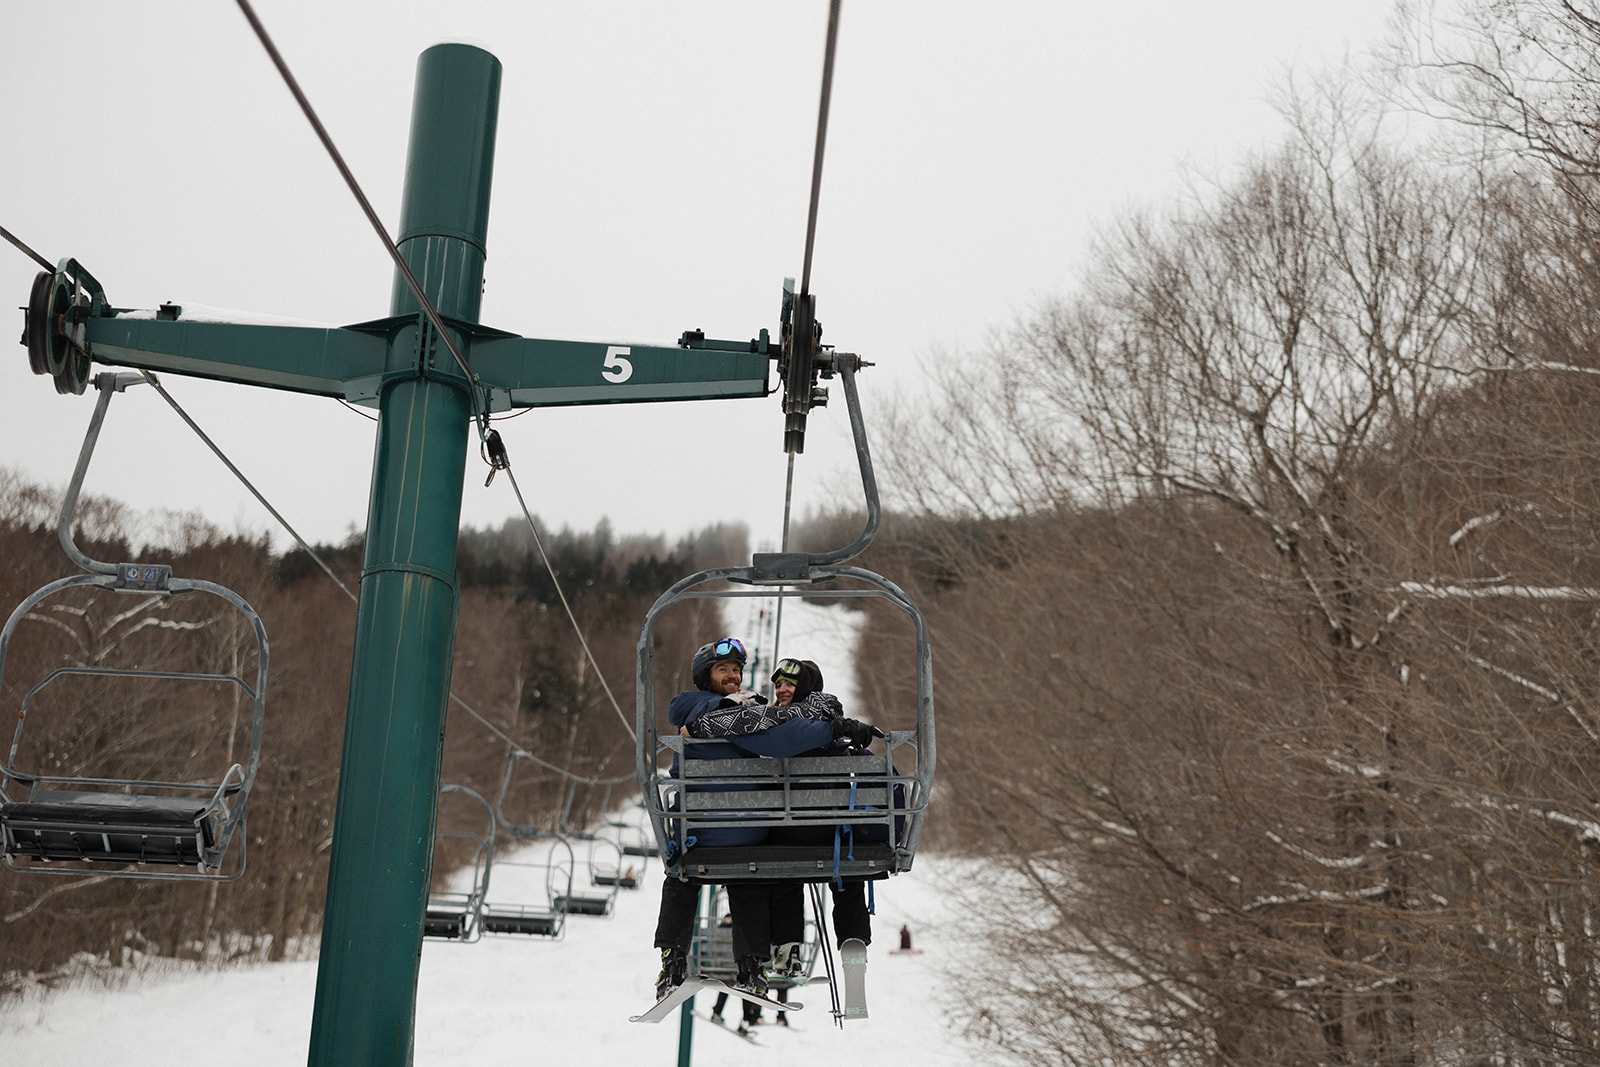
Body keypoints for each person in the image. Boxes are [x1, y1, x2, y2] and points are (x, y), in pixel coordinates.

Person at [651, 638, 877, 1000]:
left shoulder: (691, 714)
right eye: (723, 669)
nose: (733, 676)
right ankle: (752, 962)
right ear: (705, 677)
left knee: (683, 875)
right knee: (753, 871)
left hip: (697, 832)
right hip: (746, 829)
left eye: (736, 670)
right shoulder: (740, 714)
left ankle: (672, 956)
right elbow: (781, 740)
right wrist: (834, 728)